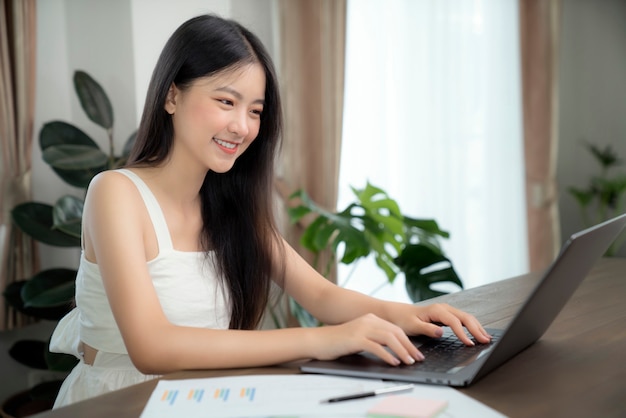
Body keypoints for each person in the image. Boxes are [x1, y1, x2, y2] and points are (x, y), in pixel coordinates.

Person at [49, 14, 491, 408]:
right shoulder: (115, 193)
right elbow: (151, 347)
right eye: (226, 102)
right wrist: (322, 340)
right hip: (123, 403)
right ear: (171, 97)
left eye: (255, 111)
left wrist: (409, 315)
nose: (242, 127)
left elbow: (320, 295)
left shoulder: (229, 204)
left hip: (207, 396)